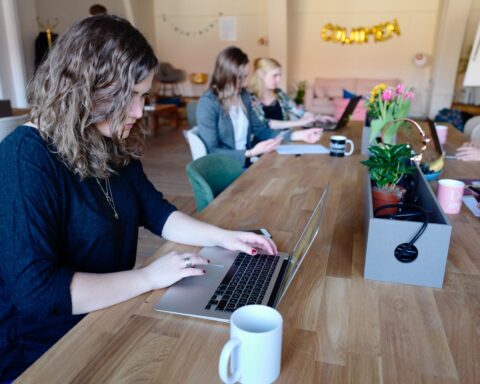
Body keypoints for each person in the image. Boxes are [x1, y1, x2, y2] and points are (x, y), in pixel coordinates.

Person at [0, 16, 276, 381]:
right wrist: (148, 277)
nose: (137, 110)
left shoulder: (106, 140)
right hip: (46, 350)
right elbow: (37, 294)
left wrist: (224, 237)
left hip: (107, 315)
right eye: (128, 95)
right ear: (85, 87)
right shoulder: (24, 158)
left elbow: (156, 211)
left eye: (142, 96)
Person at [196, 47, 322, 165]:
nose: (243, 82)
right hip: (227, 167)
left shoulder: (243, 95)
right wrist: (250, 153)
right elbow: (211, 151)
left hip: (247, 162)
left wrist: (300, 135)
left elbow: (262, 130)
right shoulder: (208, 103)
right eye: (239, 77)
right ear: (225, 75)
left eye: (245, 76)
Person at [248, 57, 334, 130]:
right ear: (260, 75)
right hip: (260, 145)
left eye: (279, 76)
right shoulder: (249, 97)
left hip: (283, 139)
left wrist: (318, 118)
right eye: (275, 75)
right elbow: (265, 123)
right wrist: (298, 122)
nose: (278, 80)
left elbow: (299, 111)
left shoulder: (279, 93)